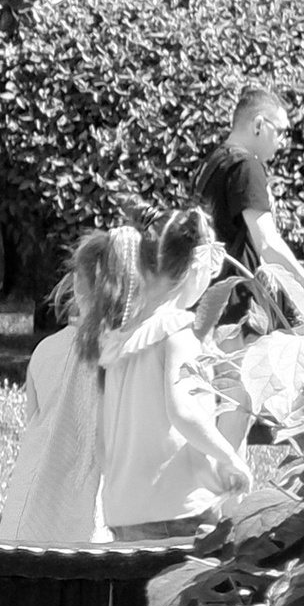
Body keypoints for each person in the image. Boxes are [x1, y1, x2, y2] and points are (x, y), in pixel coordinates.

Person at [102, 207, 255, 537]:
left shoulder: (122, 336)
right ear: (199, 264)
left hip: (124, 512)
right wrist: (229, 458)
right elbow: (181, 409)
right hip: (177, 511)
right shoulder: (177, 330)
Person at [0, 228, 137, 548]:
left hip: (29, 510)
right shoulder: (126, 355)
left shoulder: (46, 350)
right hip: (90, 520)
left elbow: (33, 423)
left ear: (76, 283)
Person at [197, 85, 304, 327]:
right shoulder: (247, 167)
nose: (283, 141)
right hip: (238, 311)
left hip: (206, 300)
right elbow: (267, 244)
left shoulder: (209, 165)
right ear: (259, 124)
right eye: (281, 131)